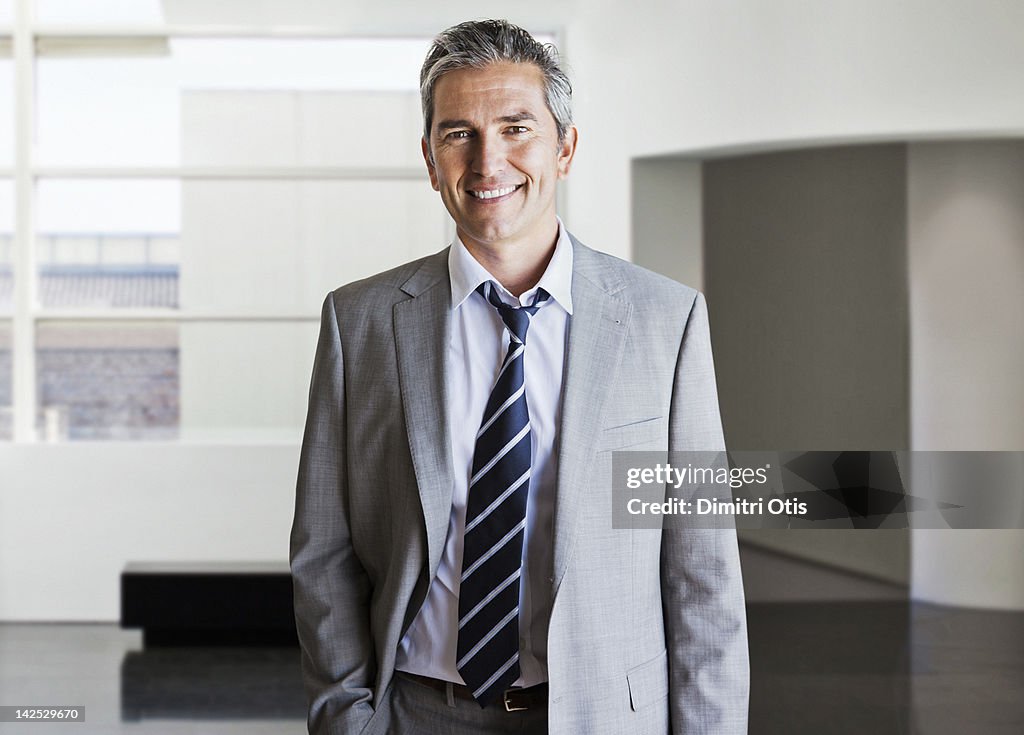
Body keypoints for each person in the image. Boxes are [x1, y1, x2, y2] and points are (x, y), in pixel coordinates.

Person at [290, 19, 749, 735]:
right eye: (458, 134)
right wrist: (350, 718)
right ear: (428, 155)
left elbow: (703, 573)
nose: (487, 161)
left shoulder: (668, 321)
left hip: (603, 716)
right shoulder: (361, 323)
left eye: (515, 128)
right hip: (414, 713)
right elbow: (324, 554)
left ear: (565, 146)